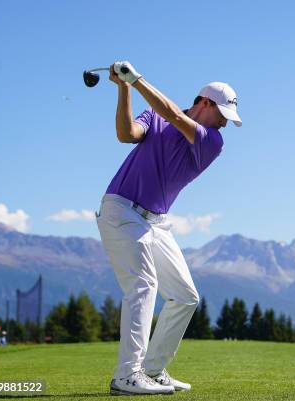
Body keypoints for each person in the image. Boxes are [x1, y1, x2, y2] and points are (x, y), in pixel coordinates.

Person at [96, 61, 242, 396]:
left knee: (185, 297)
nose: (224, 123)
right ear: (204, 102)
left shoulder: (212, 141)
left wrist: (137, 80)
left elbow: (176, 116)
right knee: (144, 286)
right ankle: (127, 375)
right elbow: (126, 134)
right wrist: (124, 88)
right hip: (122, 210)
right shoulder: (156, 115)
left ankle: (152, 369)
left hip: (156, 223)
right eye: (222, 114)